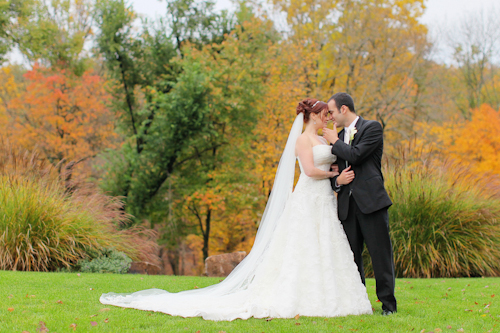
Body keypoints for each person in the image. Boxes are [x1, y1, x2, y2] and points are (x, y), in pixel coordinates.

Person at [100, 98, 373, 321]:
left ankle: (330, 295)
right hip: (307, 197)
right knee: (301, 246)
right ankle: (296, 295)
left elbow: (329, 163)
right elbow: (311, 170)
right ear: (312, 116)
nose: (327, 117)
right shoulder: (303, 140)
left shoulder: (326, 140)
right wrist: (333, 178)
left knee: (325, 245)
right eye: (324, 113)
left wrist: (336, 170)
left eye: (329, 113)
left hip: (324, 200)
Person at [322, 92, 397, 316]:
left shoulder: (372, 128)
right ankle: (359, 303)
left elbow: (356, 155)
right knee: (352, 258)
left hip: (371, 202)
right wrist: (337, 182)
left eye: (332, 112)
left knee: (380, 255)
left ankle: (388, 306)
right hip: (347, 205)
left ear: (344, 109)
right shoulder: (338, 136)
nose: (331, 117)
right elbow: (334, 172)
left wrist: (334, 141)